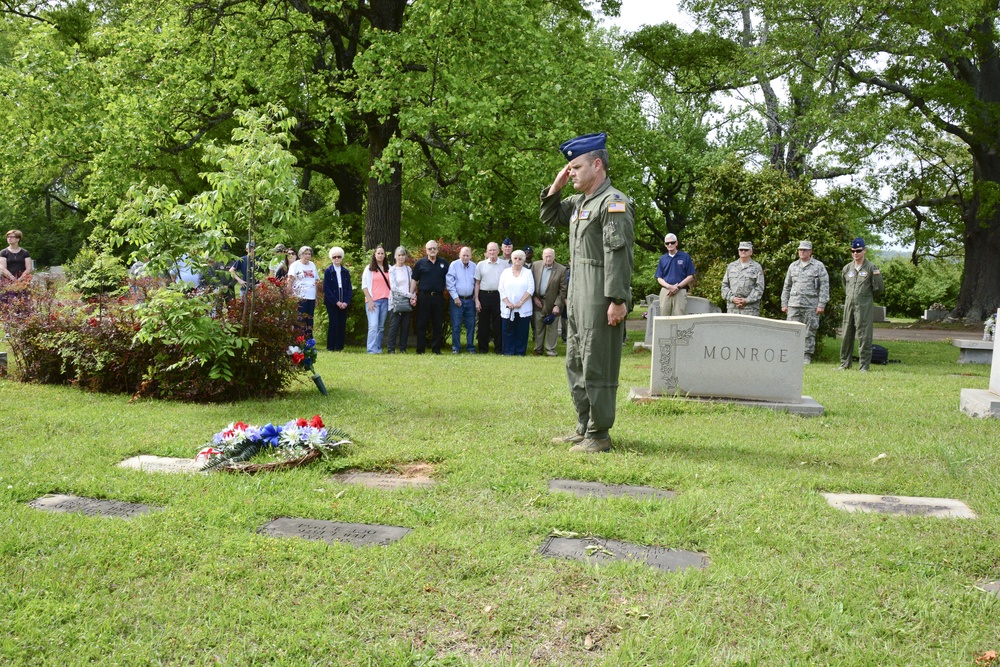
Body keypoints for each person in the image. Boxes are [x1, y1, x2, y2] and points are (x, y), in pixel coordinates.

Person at [540, 131, 634, 454]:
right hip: (577, 297)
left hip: (601, 297)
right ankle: (584, 426)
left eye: (576, 168)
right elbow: (549, 215)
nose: (572, 173)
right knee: (576, 361)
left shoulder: (613, 203)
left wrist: (617, 300)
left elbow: (617, 256)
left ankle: (600, 433)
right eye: (569, 169)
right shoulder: (580, 202)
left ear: (597, 165)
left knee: (598, 363)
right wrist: (558, 185)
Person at [839, 237, 884, 371]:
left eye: (858, 251)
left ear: (864, 251)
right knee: (846, 333)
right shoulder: (847, 268)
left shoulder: (871, 268)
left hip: (864, 305)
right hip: (849, 304)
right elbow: (844, 286)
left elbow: (879, 288)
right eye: (853, 251)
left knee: (864, 334)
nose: (855, 254)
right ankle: (844, 363)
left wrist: (865, 298)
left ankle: (864, 365)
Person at [781, 240, 830, 364]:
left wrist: (821, 304)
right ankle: (791, 354)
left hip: (811, 305)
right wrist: (784, 303)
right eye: (800, 250)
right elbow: (787, 286)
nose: (801, 252)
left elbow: (824, 286)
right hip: (794, 304)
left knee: (809, 331)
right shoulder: (793, 266)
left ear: (810, 251)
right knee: (791, 330)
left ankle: (806, 355)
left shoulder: (818, 266)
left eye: (805, 250)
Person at [411, 240, 449, 354]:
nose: (432, 250)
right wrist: (411, 295)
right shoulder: (420, 263)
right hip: (424, 297)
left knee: (437, 323)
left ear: (437, 249)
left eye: (434, 248)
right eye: (430, 249)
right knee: (422, 323)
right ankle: (420, 350)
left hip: (438, 297)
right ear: (426, 250)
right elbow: (414, 280)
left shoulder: (444, 263)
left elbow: (449, 280)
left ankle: (436, 349)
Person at [531, 247, 568, 356]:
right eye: (546, 256)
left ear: (554, 256)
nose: (548, 258)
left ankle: (550, 350)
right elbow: (530, 283)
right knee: (538, 327)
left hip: (553, 303)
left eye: (550, 256)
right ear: (542, 256)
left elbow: (563, 290)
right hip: (538, 301)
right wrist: (534, 297)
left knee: (552, 328)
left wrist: (557, 305)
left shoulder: (561, 269)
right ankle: (538, 349)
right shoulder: (535, 266)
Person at [498, 250, 534, 356]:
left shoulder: (528, 273)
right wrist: (508, 302)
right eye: (515, 258)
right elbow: (501, 288)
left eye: (520, 259)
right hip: (507, 307)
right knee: (508, 330)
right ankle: (508, 351)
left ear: (523, 260)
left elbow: (531, 289)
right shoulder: (505, 272)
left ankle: (520, 351)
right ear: (512, 259)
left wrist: (521, 302)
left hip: (523, 307)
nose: (517, 261)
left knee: (522, 331)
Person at [474, 242, 505, 354]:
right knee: (483, 323)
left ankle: (499, 348)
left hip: (498, 296)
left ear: (498, 251)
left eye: (494, 250)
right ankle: (483, 348)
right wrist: (476, 299)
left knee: (498, 323)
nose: (492, 252)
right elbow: (477, 283)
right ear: (486, 252)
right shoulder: (480, 265)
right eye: (490, 250)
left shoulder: (504, 264)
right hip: (484, 295)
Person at [654, 233, 695, 315]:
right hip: (666, 291)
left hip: (680, 291)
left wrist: (677, 287)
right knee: (664, 318)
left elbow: (691, 276)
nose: (670, 244)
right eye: (667, 243)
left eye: (672, 242)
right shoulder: (662, 259)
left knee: (680, 317)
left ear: (676, 243)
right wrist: (669, 287)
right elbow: (659, 278)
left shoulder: (685, 257)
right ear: (665, 245)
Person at [446, 246, 477, 354]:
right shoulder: (454, 265)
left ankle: (470, 347)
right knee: (456, 324)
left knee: (471, 325)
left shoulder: (474, 266)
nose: (465, 257)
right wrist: (455, 297)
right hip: (457, 300)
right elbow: (450, 282)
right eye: (463, 255)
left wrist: (475, 296)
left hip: (470, 300)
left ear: (470, 256)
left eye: (467, 255)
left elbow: (476, 283)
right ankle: (456, 347)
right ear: (459, 255)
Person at [361, 245, 392, 354]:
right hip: (373, 301)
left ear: (385, 255)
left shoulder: (390, 268)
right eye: (378, 253)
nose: (380, 255)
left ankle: (378, 348)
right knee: (373, 326)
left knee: (381, 327)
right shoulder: (369, 268)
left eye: (382, 253)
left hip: (386, 301)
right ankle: (371, 350)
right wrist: (369, 300)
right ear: (374, 255)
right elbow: (364, 286)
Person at [721, 241, 765, 316]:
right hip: (733, 309)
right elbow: (724, 285)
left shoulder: (756, 267)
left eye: (746, 250)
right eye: (741, 250)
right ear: (738, 251)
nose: (743, 251)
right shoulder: (731, 266)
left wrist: (747, 300)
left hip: (750, 309)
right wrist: (732, 298)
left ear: (751, 252)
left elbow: (759, 287)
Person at [323, 247, 352, 351]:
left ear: (342, 258)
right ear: (331, 258)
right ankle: (331, 346)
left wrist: (346, 302)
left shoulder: (345, 272)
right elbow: (326, 288)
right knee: (333, 323)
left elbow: (349, 288)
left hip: (344, 301)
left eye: (339, 257)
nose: (337, 259)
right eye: (334, 257)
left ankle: (340, 347)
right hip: (332, 302)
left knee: (342, 324)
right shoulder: (328, 271)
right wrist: (336, 302)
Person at [387, 246, 415, 353]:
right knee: (394, 326)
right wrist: (409, 295)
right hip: (396, 302)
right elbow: (394, 288)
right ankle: (391, 349)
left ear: (406, 256)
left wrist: (413, 296)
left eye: (403, 255)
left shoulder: (408, 269)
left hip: (407, 302)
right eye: (399, 255)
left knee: (405, 326)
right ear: (395, 256)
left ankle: (403, 349)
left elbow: (412, 285)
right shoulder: (392, 270)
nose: (401, 257)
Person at [288, 246, 320, 339]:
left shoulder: (312, 265)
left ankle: (309, 340)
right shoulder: (295, 265)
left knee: (310, 319)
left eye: (309, 254)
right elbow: (290, 280)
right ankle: (299, 339)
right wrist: (289, 294)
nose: (307, 256)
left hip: (311, 297)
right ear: (300, 255)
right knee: (300, 319)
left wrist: (316, 296)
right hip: (299, 296)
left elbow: (316, 281)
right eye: (305, 254)